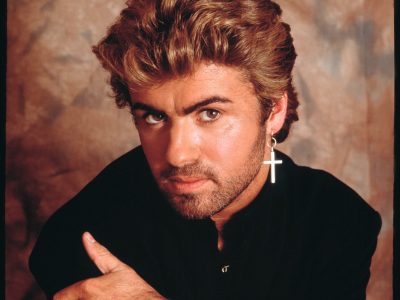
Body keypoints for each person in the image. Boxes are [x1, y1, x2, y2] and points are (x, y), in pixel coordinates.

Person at [29, 0, 381, 299]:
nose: (177, 155)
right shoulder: (88, 230)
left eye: (210, 114)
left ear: (273, 111)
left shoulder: (337, 220)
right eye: (153, 116)